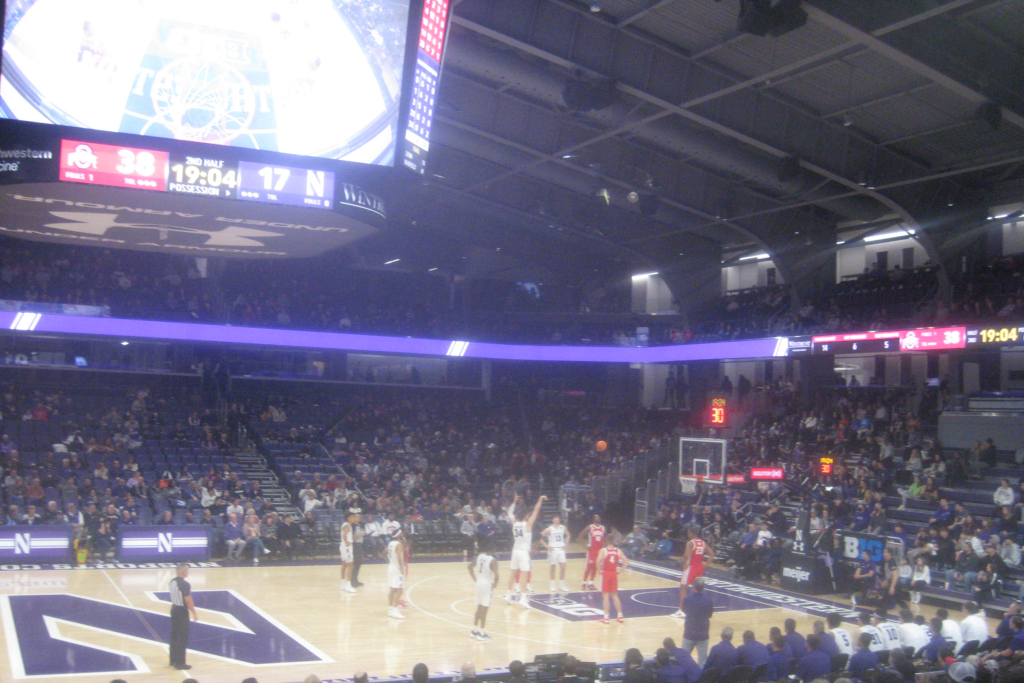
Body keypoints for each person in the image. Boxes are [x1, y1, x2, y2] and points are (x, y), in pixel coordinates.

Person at [505, 495, 546, 604]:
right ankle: (523, 598)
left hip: (515, 551)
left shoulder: (514, 523)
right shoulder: (527, 525)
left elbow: (509, 513)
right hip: (523, 552)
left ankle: (508, 595)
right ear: (525, 516)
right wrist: (540, 499)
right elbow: (536, 511)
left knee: (512, 574)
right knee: (524, 575)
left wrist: (514, 502)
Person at [672, 526, 712, 618]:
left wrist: (684, 564)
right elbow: (711, 553)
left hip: (691, 568)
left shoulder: (690, 543)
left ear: (692, 533)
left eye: (689, 532)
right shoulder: (703, 542)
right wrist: (707, 563)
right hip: (699, 567)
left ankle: (681, 610)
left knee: (683, 587)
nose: (688, 534)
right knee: (697, 588)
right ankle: (700, 607)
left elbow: (686, 555)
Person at [168, 563, 198, 671]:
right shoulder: (185, 584)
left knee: (174, 636)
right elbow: (188, 600)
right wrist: (194, 612)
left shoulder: (172, 581)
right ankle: (180, 663)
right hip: (181, 611)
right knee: (182, 637)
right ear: (182, 571)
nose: (188, 572)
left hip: (174, 609)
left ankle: (173, 660)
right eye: (187, 570)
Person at [469, 542, 498, 641]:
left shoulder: (480, 556)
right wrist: (495, 584)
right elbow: (497, 576)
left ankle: (474, 630)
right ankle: (481, 633)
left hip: (478, 584)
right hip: (486, 585)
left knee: (479, 608)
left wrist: (475, 579)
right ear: (493, 549)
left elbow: (469, 567)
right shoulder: (493, 561)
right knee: (484, 610)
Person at [596, 535, 628, 624]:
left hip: (606, 573)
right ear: (613, 541)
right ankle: (620, 616)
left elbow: (597, 561)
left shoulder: (604, 550)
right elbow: (626, 562)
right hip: (614, 573)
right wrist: (620, 571)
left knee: (605, 596)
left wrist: (599, 570)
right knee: (615, 595)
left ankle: (606, 617)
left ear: (606, 541)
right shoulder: (618, 551)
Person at [682, 577, 714, 665]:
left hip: (689, 633)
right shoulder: (708, 600)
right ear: (703, 588)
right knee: (702, 662)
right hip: (702, 634)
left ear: (693, 587)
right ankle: (701, 678)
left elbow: (684, 611)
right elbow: (710, 615)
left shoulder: (687, 600)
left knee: (683, 660)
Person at [541, 514, 569, 593]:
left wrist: (566, 544)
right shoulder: (549, 529)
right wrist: (546, 546)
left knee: (563, 567)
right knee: (553, 568)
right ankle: (552, 584)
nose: (558, 519)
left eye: (558, 518)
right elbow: (539, 537)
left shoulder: (563, 528)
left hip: (561, 549)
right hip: (553, 550)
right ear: (553, 520)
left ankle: (561, 585)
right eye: (556, 518)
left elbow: (568, 535)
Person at [578, 515, 605, 591]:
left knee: (595, 566)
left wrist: (604, 548)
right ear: (593, 519)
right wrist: (585, 546)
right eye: (596, 517)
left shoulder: (603, 528)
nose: (597, 517)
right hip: (591, 550)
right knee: (589, 566)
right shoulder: (590, 527)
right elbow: (580, 536)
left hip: (599, 550)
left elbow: (603, 539)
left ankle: (591, 583)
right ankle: (584, 583)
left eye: (598, 516)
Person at [386, 526, 407, 620]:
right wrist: (402, 568)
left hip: (391, 567)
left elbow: (385, 553)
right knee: (399, 589)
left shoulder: (390, 543)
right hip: (397, 568)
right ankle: (395, 610)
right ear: (398, 534)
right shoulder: (399, 545)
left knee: (392, 589)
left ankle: (391, 609)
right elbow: (399, 557)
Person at [340, 508, 361, 593]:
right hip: (347, 547)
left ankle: (342, 583)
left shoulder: (345, 524)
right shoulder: (347, 525)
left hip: (343, 546)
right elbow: (345, 534)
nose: (354, 518)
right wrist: (347, 542)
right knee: (350, 566)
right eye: (353, 517)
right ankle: (348, 585)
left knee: (344, 565)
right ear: (349, 517)